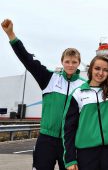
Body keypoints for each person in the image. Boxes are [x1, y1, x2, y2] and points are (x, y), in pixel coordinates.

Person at [1, 19, 85, 170]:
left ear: (79, 63)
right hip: (46, 139)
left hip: (70, 142)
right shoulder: (49, 78)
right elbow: (28, 61)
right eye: (67, 61)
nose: (70, 65)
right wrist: (11, 34)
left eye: (74, 62)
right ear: (62, 62)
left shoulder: (84, 86)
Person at [62, 25, 108, 170]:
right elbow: (69, 129)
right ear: (91, 70)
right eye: (97, 69)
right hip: (86, 152)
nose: (101, 73)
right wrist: (70, 159)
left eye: (105, 70)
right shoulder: (78, 94)